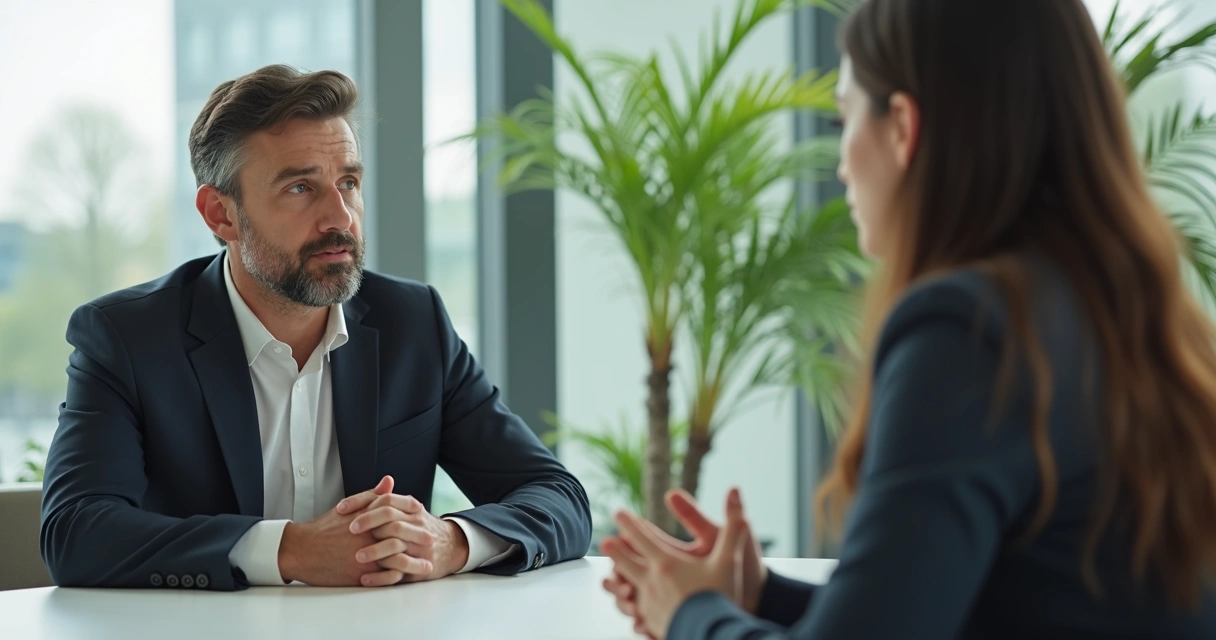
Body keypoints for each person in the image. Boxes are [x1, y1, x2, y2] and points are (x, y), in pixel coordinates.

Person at [601, 0, 1216, 637]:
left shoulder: (970, 331)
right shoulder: (1102, 301)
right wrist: (759, 597)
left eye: (843, 117)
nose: (840, 162)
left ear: (901, 125)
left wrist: (689, 615)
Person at [39, 64, 591, 591]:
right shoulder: (127, 338)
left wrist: (448, 541)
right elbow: (76, 532)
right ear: (220, 215)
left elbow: (556, 496)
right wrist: (291, 550)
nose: (341, 218)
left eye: (348, 182)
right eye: (301, 188)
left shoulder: (413, 323)